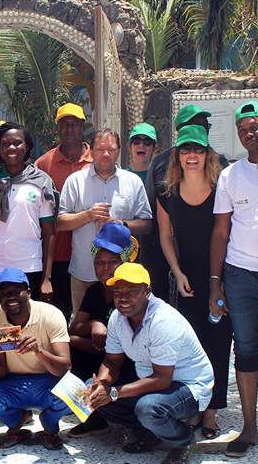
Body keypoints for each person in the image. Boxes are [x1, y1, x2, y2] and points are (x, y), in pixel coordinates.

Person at [87, 263, 214, 464]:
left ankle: (183, 439)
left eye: (132, 291)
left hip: (188, 385)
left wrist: (114, 392)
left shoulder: (164, 321)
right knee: (93, 392)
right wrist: (102, 386)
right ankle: (150, 431)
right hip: (150, 381)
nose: (123, 298)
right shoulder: (118, 318)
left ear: (147, 292)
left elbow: (162, 379)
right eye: (118, 292)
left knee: (149, 408)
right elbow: (111, 362)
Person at [207, 101, 258, 457]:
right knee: (246, 348)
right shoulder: (230, 175)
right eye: (243, 129)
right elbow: (221, 231)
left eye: (256, 126)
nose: (250, 133)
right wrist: (215, 282)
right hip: (240, 274)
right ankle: (249, 429)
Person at [157, 124, 230, 440]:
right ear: (177, 155)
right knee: (191, 347)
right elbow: (164, 236)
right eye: (185, 149)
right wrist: (177, 270)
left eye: (197, 150)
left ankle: (211, 413)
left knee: (218, 345)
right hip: (186, 279)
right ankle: (194, 409)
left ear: (207, 154)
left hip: (220, 277)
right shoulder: (167, 194)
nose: (191, 155)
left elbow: (224, 234)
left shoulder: (221, 189)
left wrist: (219, 280)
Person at [0, 268, 72, 450]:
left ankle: (49, 425)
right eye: (4, 293)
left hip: (47, 381)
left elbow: (65, 368)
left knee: (75, 393)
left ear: (29, 293)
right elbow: (1, 371)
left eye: (16, 291)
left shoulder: (51, 314)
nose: (10, 297)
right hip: (13, 382)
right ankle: (17, 420)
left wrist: (38, 351)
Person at [57, 128, 152, 316]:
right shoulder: (75, 181)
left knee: (124, 325)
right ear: (91, 151)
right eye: (100, 150)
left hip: (123, 275)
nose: (106, 154)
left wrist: (122, 224)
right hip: (83, 271)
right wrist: (88, 215)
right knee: (82, 327)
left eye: (111, 149)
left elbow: (147, 224)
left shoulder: (132, 182)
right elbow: (60, 222)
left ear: (119, 151)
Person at [142, 105, 227, 301]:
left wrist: (218, 277)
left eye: (205, 125)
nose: (192, 154)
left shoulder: (223, 173)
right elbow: (155, 217)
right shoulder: (161, 167)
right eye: (196, 125)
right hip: (173, 261)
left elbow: (224, 230)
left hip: (217, 267)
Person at [66, 222, 139, 439]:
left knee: (69, 343)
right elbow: (74, 328)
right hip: (101, 354)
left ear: (124, 261)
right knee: (66, 351)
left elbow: (121, 349)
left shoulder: (131, 294)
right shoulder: (94, 291)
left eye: (112, 262)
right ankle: (93, 418)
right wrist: (93, 325)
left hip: (126, 362)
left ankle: (132, 421)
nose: (105, 267)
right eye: (100, 262)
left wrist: (73, 339)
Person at [0, 122, 58, 301]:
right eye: (5, 144)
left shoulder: (41, 182)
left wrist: (46, 278)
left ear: (27, 146)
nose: (11, 147)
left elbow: (49, 232)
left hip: (29, 266)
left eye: (18, 143)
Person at [35, 103, 94, 318]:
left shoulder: (98, 161)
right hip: (57, 254)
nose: (70, 129)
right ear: (57, 128)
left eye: (75, 124)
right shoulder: (43, 164)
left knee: (87, 316)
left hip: (90, 254)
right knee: (58, 316)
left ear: (83, 128)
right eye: (64, 124)